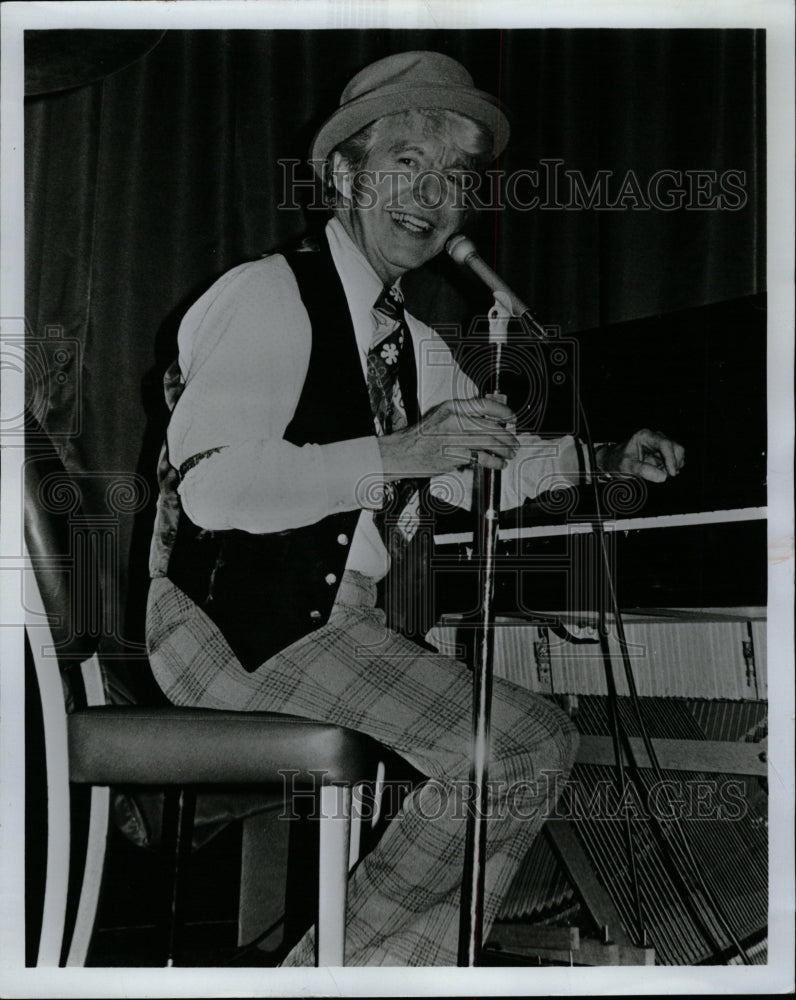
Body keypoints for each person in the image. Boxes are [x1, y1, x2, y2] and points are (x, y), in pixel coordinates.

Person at [145, 51, 685, 966]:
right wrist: (399, 453)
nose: (431, 195)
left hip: (326, 624)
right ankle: (352, 976)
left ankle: (362, 970)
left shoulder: (412, 342)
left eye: (455, 177)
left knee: (519, 743)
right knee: (518, 746)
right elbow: (215, 486)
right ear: (344, 174)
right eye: (405, 162)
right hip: (229, 627)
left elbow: (484, 462)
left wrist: (595, 459)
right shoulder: (267, 296)